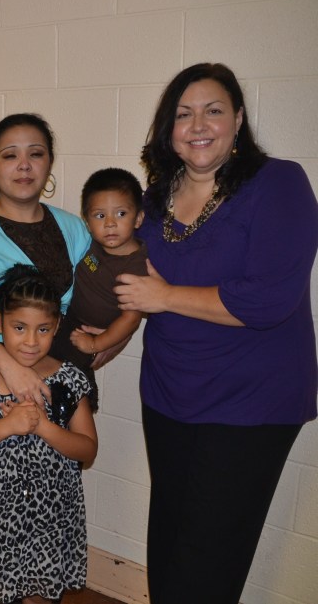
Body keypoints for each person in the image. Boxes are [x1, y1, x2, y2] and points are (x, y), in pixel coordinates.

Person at [114, 63, 318, 604]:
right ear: (169, 129)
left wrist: (166, 298)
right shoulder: (153, 201)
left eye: (213, 110)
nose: (198, 124)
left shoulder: (279, 183)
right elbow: (123, 281)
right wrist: (90, 339)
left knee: (209, 559)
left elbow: (269, 298)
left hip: (252, 402)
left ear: (239, 120)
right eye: (183, 114)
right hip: (169, 393)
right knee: (169, 543)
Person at [0, 264, 97, 604]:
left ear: (57, 326)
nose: (31, 341)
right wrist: (6, 426)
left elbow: (87, 450)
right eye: (19, 327)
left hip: (50, 515)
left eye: (43, 329)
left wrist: (43, 427)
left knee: (37, 597)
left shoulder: (70, 379)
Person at [0, 113, 92, 412]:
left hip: (59, 379)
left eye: (36, 154)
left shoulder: (74, 228)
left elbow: (102, 291)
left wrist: (108, 340)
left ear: (49, 163)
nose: (24, 165)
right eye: (10, 155)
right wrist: (10, 368)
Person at [58, 168, 147, 389]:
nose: (110, 223)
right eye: (100, 215)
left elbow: (131, 318)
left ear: (138, 218)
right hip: (65, 318)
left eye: (121, 214)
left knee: (68, 384)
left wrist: (97, 343)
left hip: (90, 332)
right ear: (87, 223)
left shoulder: (136, 267)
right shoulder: (91, 244)